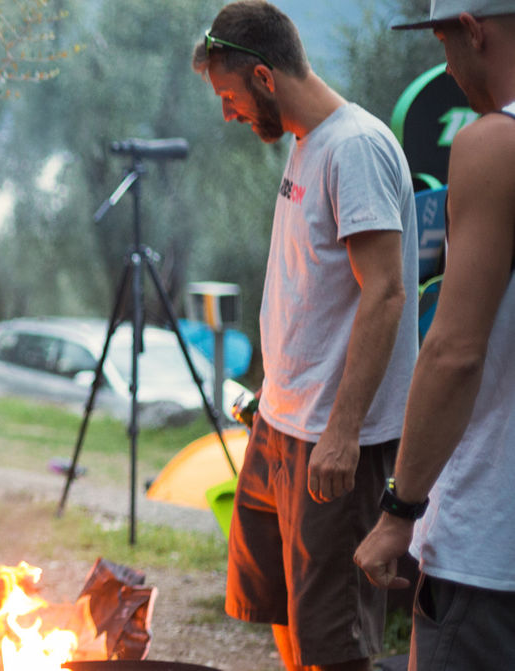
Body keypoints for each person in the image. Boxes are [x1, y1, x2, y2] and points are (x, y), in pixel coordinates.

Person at [191, 2, 419, 670]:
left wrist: (344, 433)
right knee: (283, 610)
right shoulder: (305, 141)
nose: (228, 113)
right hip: (281, 424)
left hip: (332, 438)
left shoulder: (357, 148)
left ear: (264, 76)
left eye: (229, 95)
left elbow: (385, 293)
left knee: (332, 640)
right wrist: (272, 396)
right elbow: (314, 292)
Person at [354, 2, 515, 669]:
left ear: (470, 29)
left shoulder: (494, 144)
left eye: (443, 45)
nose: (446, 68)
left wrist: (399, 509)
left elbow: (454, 350)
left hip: (494, 547)